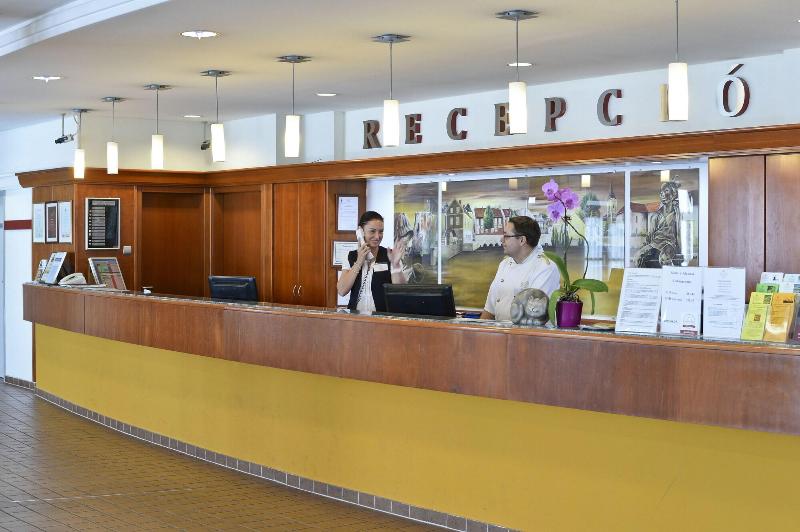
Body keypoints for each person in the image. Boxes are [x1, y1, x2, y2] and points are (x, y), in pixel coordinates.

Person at [480, 216, 560, 321]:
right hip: (500, 329)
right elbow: (489, 310)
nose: (501, 239)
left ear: (522, 240)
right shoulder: (504, 264)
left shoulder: (545, 268)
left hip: (528, 331)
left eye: (506, 236)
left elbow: (533, 318)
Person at [337, 211, 407, 312]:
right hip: (355, 318)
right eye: (372, 231)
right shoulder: (351, 256)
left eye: (381, 231)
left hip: (382, 317)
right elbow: (342, 291)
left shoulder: (391, 255)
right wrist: (359, 262)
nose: (377, 236)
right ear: (360, 232)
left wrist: (395, 265)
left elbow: (400, 293)